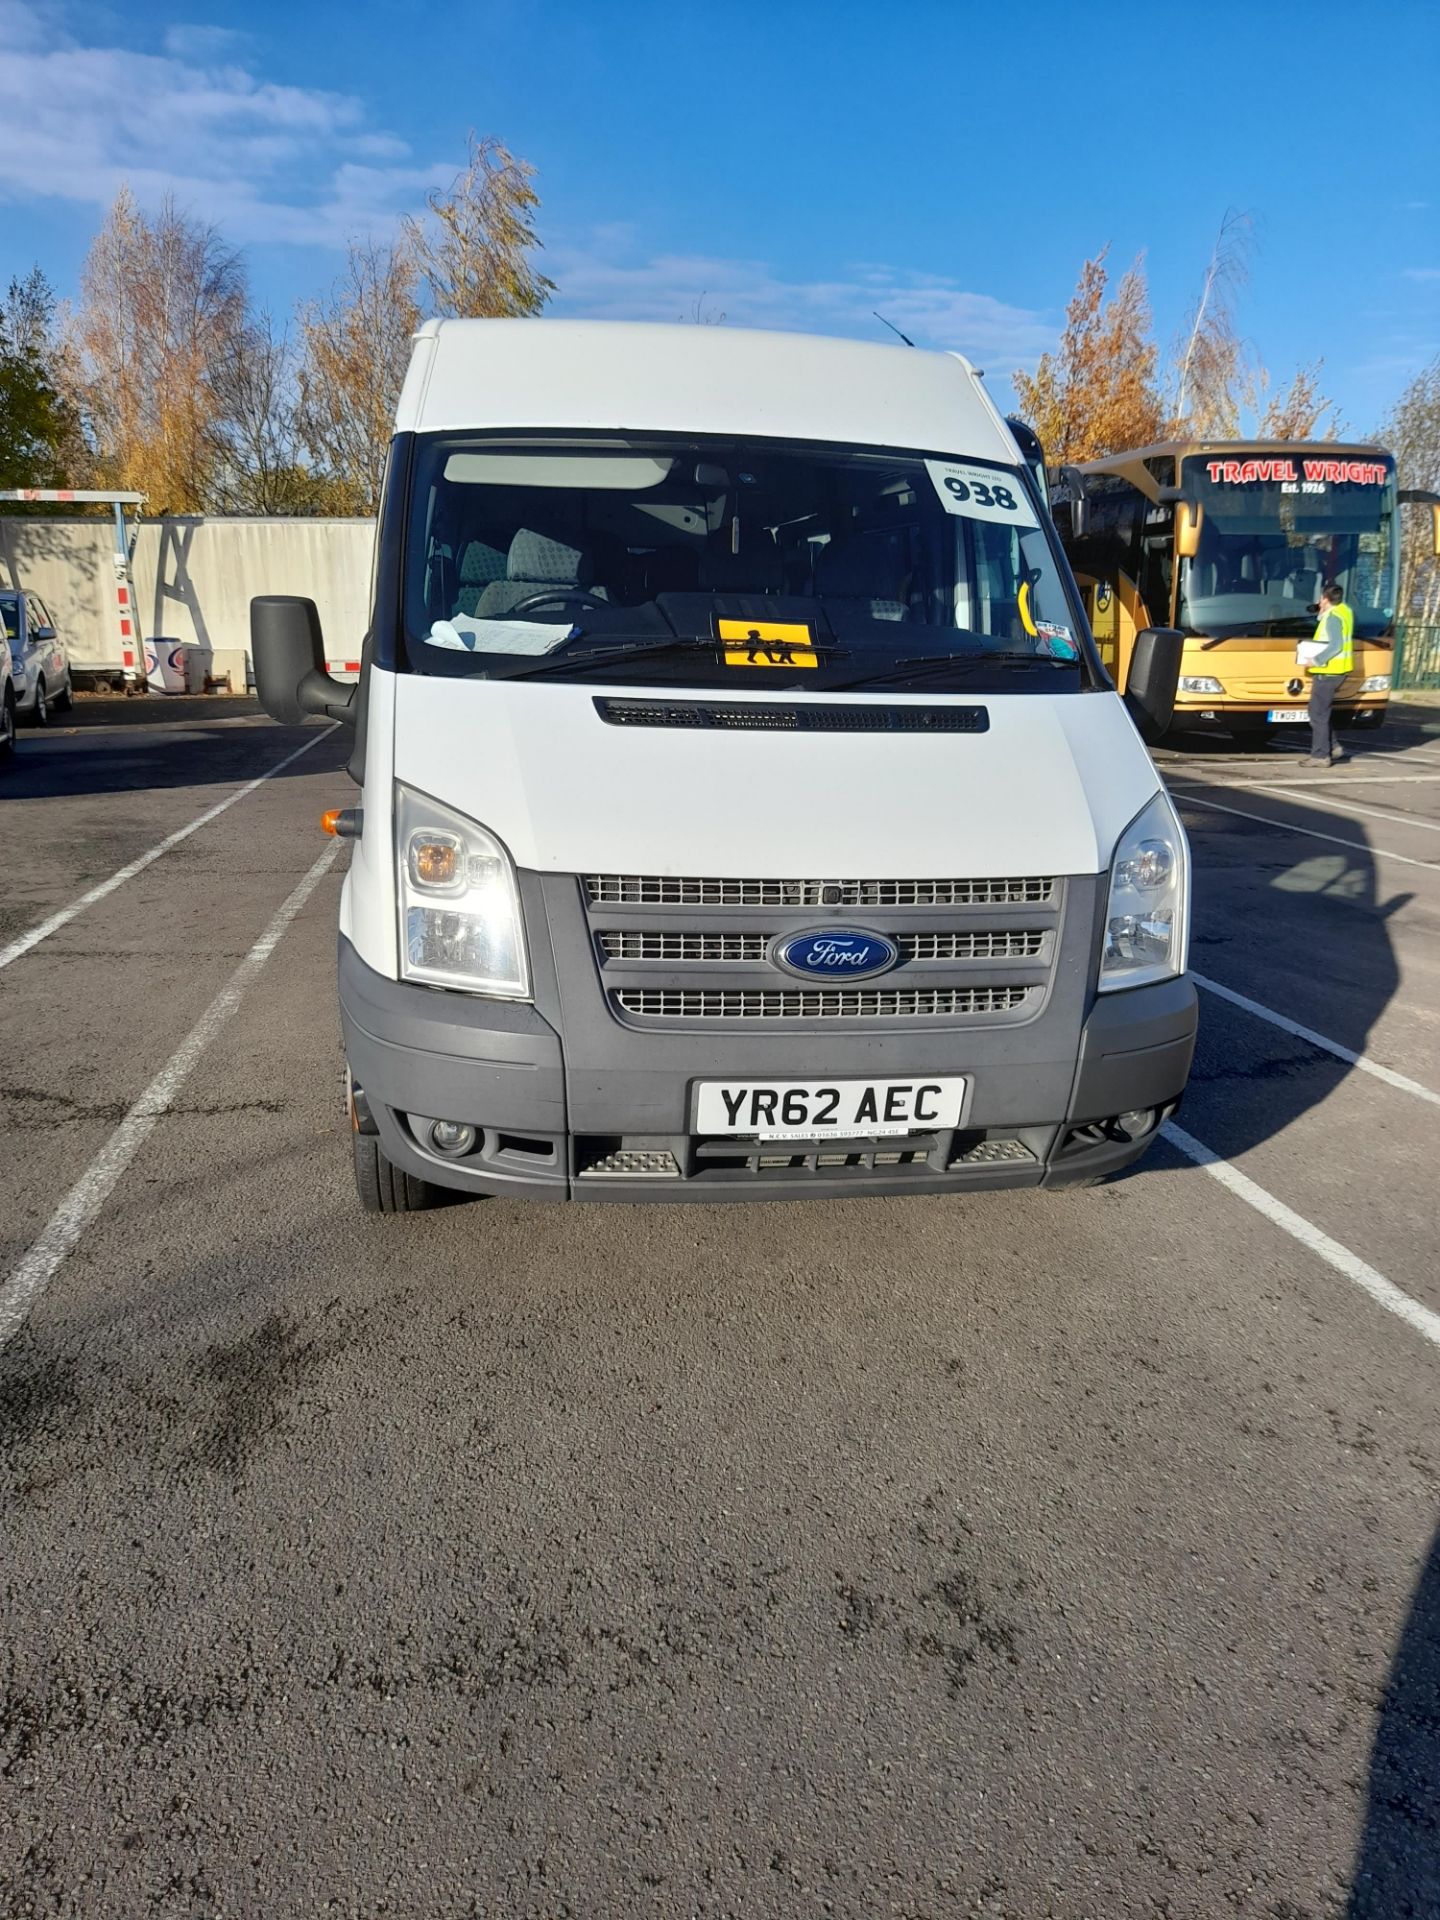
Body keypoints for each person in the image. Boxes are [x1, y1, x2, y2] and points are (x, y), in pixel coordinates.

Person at [1298, 580, 1354, 767]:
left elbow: (1336, 645)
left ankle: (1321, 755)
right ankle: (1334, 747)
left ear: (1325, 598)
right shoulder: (1344, 611)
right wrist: (1322, 612)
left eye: (1321, 598)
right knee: (1321, 712)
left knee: (1317, 714)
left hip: (1328, 672)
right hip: (1339, 671)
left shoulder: (1333, 617)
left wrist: (1315, 660)